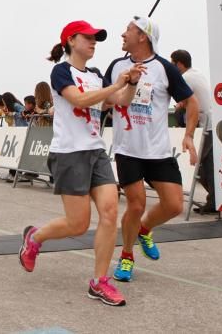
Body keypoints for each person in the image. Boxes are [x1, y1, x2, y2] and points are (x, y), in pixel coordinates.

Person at [18, 21, 143, 307]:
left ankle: (99, 282)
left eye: (95, 38)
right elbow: (79, 101)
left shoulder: (97, 75)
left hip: (96, 150)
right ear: (71, 40)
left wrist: (132, 83)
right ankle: (35, 237)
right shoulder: (61, 71)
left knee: (110, 213)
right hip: (69, 152)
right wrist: (116, 83)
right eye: (87, 37)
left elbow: (120, 100)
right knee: (78, 224)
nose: (93, 42)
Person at [106, 16, 199, 283]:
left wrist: (189, 136)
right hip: (127, 148)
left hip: (157, 150)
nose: (123, 34)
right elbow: (102, 100)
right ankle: (126, 256)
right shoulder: (116, 66)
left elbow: (191, 103)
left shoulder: (164, 68)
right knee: (136, 203)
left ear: (143, 36)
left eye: (129, 30)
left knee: (173, 205)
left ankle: (145, 229)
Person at [170, 49, 215, 214]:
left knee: (197, 167)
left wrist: (178, 106)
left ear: (179, 64)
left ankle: (214, 201)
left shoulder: (186, 78)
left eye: (173, 63)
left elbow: (183, 101)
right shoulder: (198, 74)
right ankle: (215, 201)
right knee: (209, 166)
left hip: (203, 127)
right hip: (211, 124)